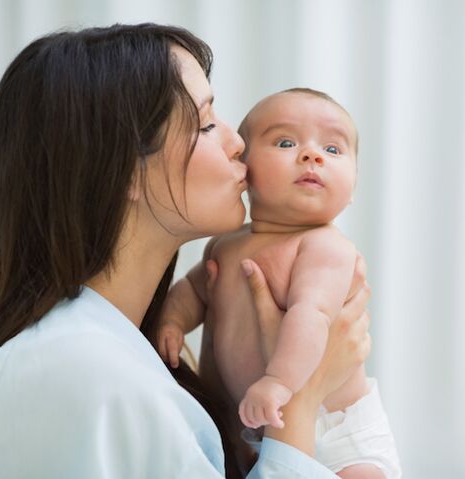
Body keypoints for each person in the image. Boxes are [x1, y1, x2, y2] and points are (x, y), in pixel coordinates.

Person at [0, 24, 373, 479]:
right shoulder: (87, 374)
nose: (238, 144)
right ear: (123, 171)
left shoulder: (98, 352)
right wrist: (300, 399)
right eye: (208, 124)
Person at [155, 89, 401, 478]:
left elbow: (312, 315)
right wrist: (171, 321)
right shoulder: (226, 243)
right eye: (286, 142)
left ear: (352, 189)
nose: (312, 155)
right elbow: (195, 290)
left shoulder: (325, 247)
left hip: (334, 428)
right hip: (255, 422)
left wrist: (278, 382)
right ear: (244, 170)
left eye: (333, 150)